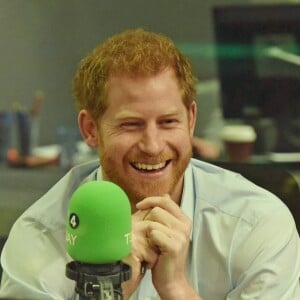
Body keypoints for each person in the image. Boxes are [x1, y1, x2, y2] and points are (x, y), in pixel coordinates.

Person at [0, 28, 299, 300]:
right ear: (91, 129)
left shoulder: (256, 224)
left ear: (191, 120)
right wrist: (115, 284)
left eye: (168, 122)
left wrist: (176, 289)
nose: (153, 146)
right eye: (131, 125)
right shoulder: (41, 237)